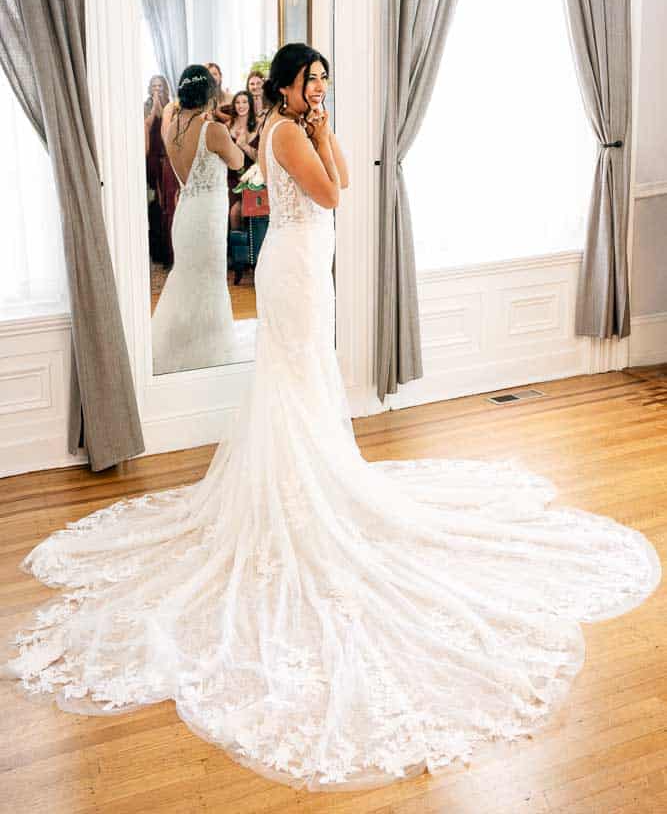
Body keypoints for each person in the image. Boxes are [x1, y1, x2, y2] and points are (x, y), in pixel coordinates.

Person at [1, 45, 660, 792]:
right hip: (293, 271)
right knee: (294, 375)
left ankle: (321, 471)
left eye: (323, 79)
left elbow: (342, 175)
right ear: (285, 85)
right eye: (310, 79)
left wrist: (327, 125)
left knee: (306, 378)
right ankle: (297, 489)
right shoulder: (282, 132)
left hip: (310, 266)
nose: (319, 87)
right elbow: (328, 195)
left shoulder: (303, 125)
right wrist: (311, 128)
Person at [149, 65, 254, 374]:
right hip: (207, 218)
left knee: (186, 277)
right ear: (210, 93)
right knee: (208, 282)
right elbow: (237, 161)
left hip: (185, 215)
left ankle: (177, 345)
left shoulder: (172, 128)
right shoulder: (213, 130)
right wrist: (227, 133)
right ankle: (209, 351)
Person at [143, 75, 171, 264]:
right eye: (154, 86)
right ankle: (156, 250)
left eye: (160, 86)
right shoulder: (145, 105)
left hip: (167, 155)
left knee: (166, 202)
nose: (157, 89)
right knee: (155, 202)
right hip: (152, 157)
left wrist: (161, 105)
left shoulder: (171, 105)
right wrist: (154, 105)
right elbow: (149, 123)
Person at [227, 90, 259, 231]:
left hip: (253, 178)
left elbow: (260, 158)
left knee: (246, 213)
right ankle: (235, 252)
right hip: (232, 178)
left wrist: (244, 146)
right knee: (234, 212)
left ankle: (250, 251)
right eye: (237, 102)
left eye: (245, 102)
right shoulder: (227, 126)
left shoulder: (258, 125)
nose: (241, 105)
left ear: (250, 104)